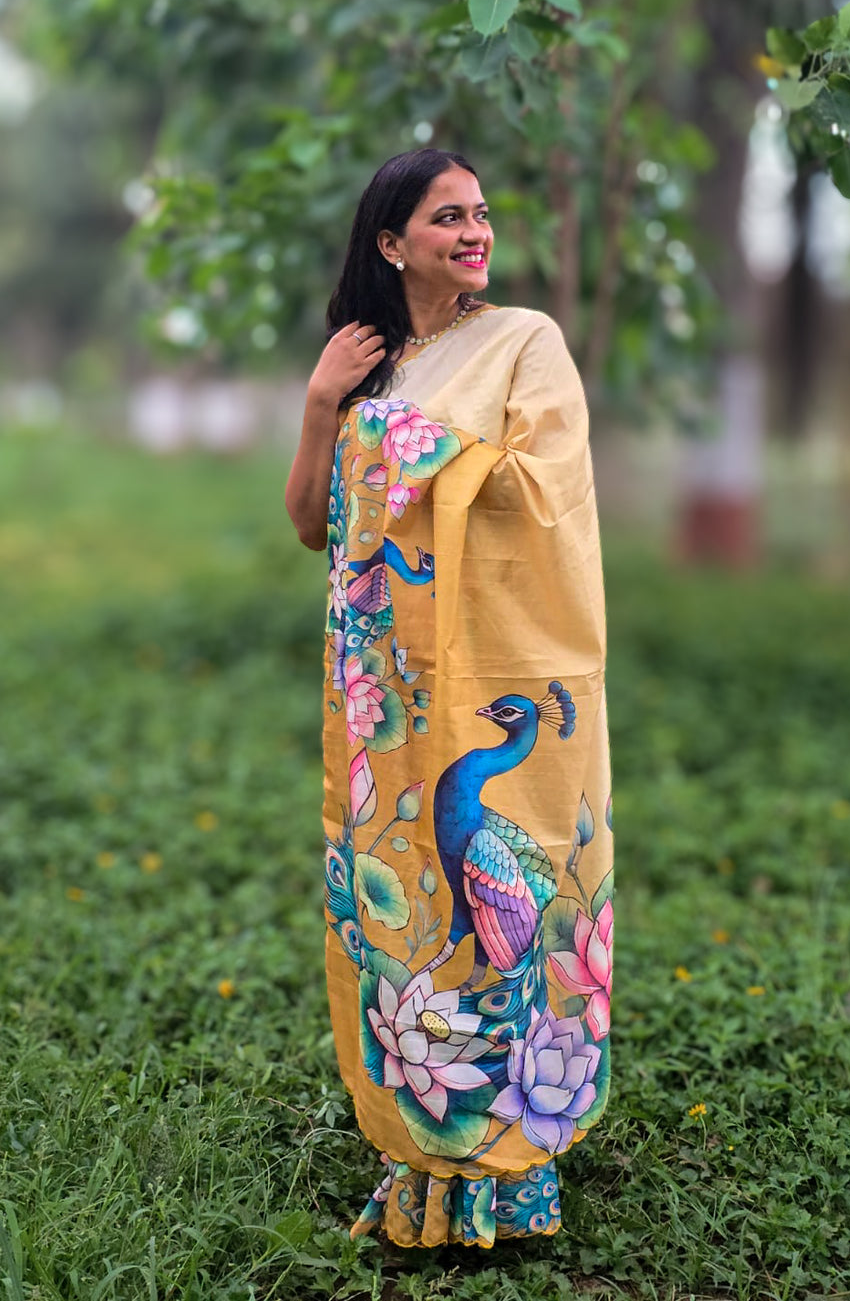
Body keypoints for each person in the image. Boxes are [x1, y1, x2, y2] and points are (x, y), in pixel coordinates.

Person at [285, 148, 614, 1249]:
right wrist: (330, 403)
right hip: (388, 690)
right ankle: (417, 1151)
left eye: (480, 214)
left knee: (505, 910)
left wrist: (396, 443)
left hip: (498, 676)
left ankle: (509, 1168)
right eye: (446, 217)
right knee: (406, 904)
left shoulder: (525, 342)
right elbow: (310, 526)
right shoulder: (366, 367)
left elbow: (543, 496)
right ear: (392, 243)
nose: (475, 232)